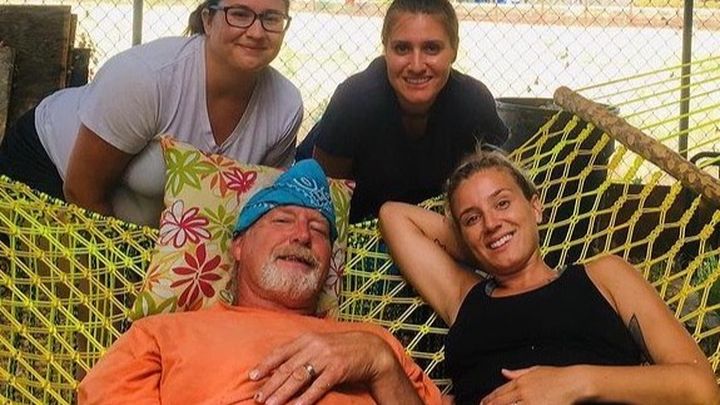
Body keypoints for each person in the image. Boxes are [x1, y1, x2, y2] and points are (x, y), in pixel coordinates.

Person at [78, 159, 442, 405]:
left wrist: (380, 364)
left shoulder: (376, 344)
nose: (302, 236)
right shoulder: (160, 335)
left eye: (319, 230)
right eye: (282, 221)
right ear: (238, 245)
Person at [379, 150, 720, 405]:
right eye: (472, 218)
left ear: (535, 207)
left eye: (502, 204)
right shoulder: (463, 296)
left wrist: (575, 383)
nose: (491, 222)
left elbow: (700, 389)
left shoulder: (604, 277)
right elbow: (393, 215)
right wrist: (488, 241)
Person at [0, 0, 302, 226]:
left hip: (140, 218)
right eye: (239, 14)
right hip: (50, 169)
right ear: (208, 20)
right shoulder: (146, 78)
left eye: (271, 18)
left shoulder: (285, 107)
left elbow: (256, 209)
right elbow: (82, 191)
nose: (256, 32)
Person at [296, 0, 508, 223]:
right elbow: (323, 195)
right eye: (402, 48)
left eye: (431, 48)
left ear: (453, 50)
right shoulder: (355, 99)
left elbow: (487, 189)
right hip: (354, 224)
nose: (416, 65)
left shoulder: (472, 102)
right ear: (385, 49)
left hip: (429, 225)